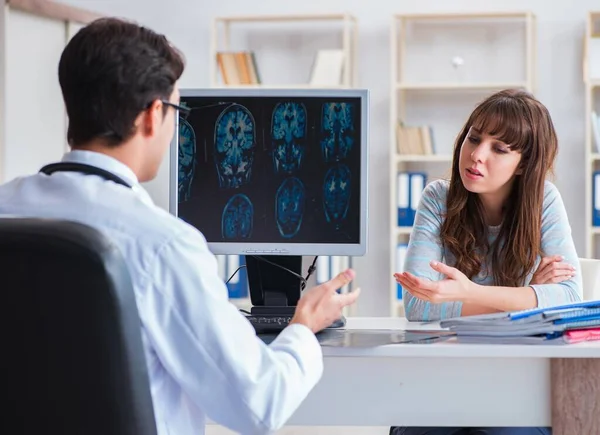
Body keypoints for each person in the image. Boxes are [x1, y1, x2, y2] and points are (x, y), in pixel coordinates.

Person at [0, 18, 359, 435]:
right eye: (175, 110)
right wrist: (302, 327)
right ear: (154, 115)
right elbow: (260, 405)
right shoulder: (163, 246)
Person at [390, 89, 581, 435]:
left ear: (524, 163)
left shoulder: (544, 203)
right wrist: (529, 297)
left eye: (499, 148)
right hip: (442, 378)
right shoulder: (438, 198)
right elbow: (418, 303)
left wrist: (466, 294)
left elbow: (569, 301)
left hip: (515, 383)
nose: (476, 155)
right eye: (474, 138)